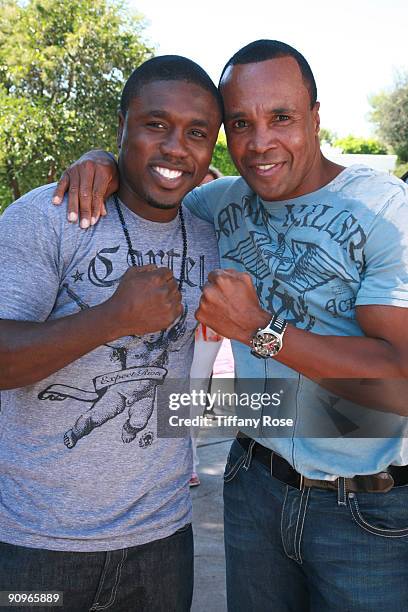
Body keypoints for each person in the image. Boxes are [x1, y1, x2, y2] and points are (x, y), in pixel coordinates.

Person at [52, 40, 408, 611]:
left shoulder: (384, 208)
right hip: (252, 485)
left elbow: (398, 387)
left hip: (365, 510)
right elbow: (156, 176)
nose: (260, 143)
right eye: (240, 123)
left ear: (316, 117)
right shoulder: (221, 202)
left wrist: (264, 330)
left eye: (282, 118)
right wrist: (101, 162)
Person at [0, 55, 222, 611]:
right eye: (155, 124)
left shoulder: (213, 234)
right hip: (36, 544)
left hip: (164, 539)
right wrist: (110, 320)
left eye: (197, 133)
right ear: (121, 125)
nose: (176, 147)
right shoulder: (50, 216)